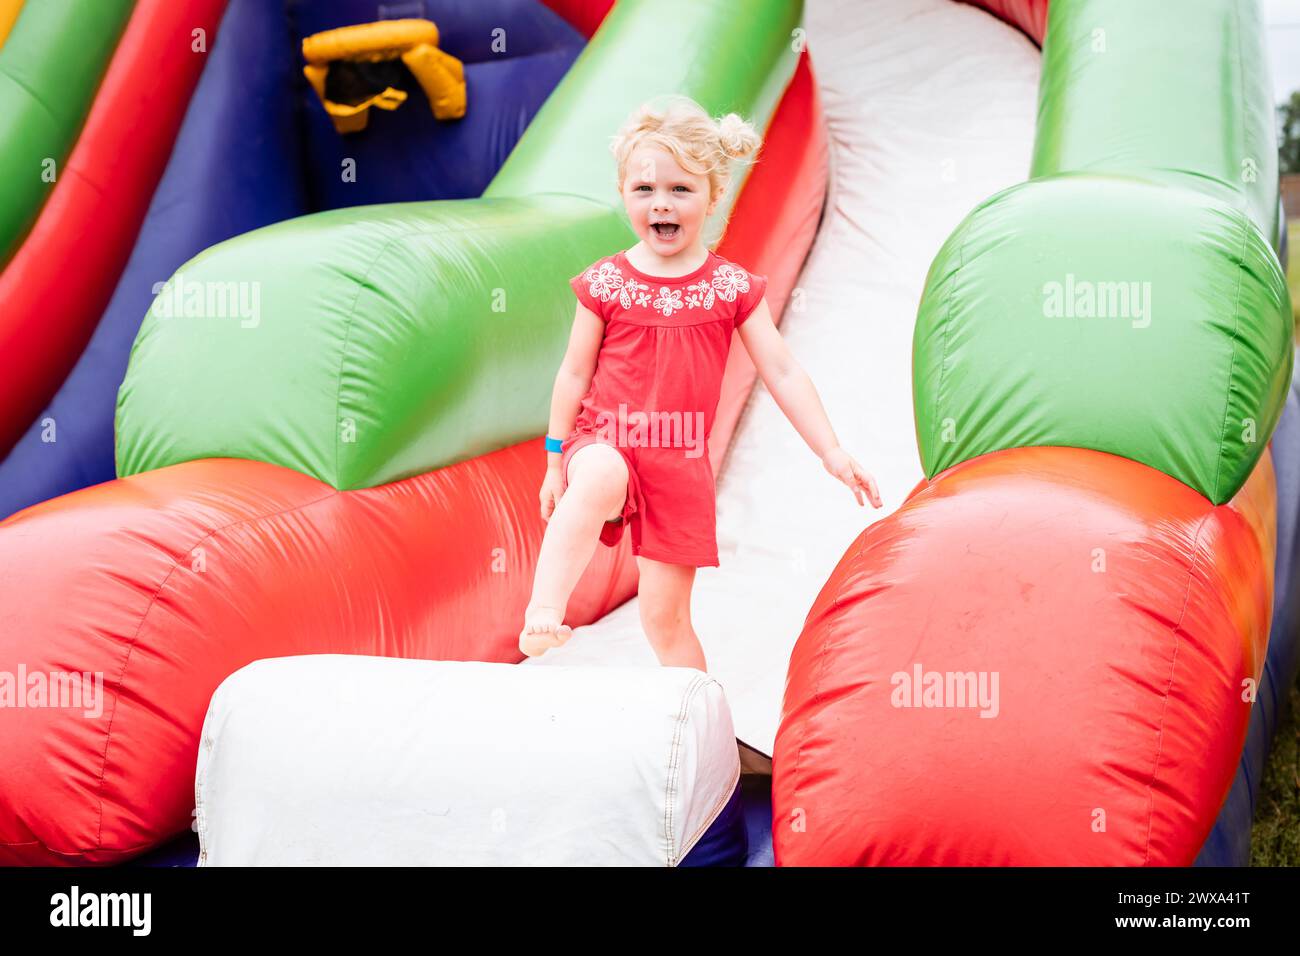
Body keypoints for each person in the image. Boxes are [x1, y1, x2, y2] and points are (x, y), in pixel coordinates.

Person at [519, 95, 881, 668]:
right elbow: (574, 371)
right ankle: (544, 608)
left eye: (680, 190)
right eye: (645, 190)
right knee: (603, 472)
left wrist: (830, 450)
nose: (661, 203)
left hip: (679, 463)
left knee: (666, 620)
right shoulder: (609, 282)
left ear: (714, 197)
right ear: (623, 194)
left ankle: (699, 726)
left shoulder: (729, 287)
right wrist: (555, 458)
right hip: (604, 438)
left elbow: (782, 369)